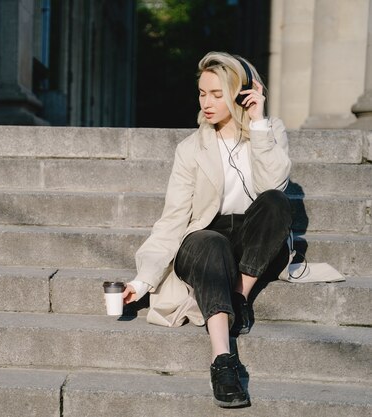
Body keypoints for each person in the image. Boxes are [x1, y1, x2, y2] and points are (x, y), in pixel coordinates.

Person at [122, 51, 292, 408]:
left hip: (251, 239)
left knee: (277, 201)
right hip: (203, 240)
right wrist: (142, 281)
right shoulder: (190, 149)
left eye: (217, 94)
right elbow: (172, 219)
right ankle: (222, 360)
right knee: (212, 241)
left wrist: (258, 124)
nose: (207, 102)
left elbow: (273, 183)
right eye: (202, 93)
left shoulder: (270, 131)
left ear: (241, 92)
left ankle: (239, 296)